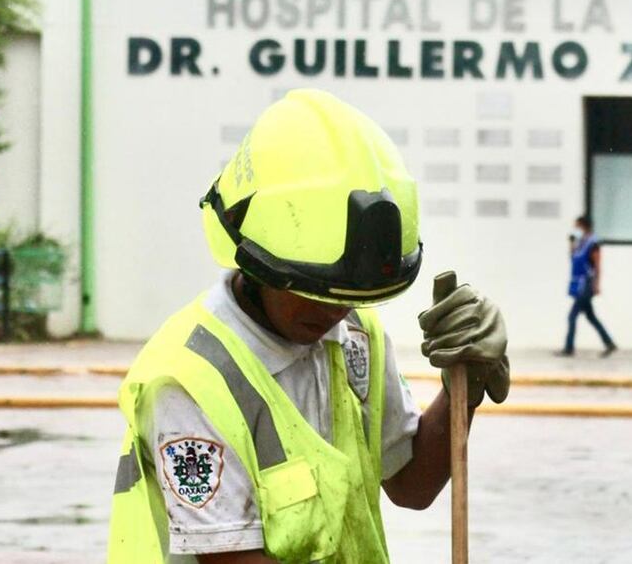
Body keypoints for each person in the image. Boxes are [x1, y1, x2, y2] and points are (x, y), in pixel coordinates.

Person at [107, 89, 510, 563]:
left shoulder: (353, 333)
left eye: (350, 297)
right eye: (316, 293)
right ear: (260, 263)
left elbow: (412, 485)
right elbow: (233, 558)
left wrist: (465, 385)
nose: (335, 313)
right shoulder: (189, 380)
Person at [557, 215, 616, 358]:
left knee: (572, 316)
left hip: (587, 285)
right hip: (578, 284)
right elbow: (573, 258)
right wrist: (571, 243)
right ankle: (609, 343)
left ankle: (569, 348)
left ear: (583, 226)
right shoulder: (581, 242)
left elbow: (597, 266)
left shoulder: (593, 243)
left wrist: (597, 285)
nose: (575, 229)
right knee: (591, 317)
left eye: (576, 226)